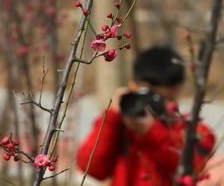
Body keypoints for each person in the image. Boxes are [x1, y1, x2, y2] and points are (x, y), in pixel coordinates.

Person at [76, 46, 215, 186]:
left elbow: (193, 169)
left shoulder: (192, 130)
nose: (151, 104)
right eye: (147, 96)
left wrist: (151, 133)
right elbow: (91, 168)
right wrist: (112, 118)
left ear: (178, 90)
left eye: (160, 98)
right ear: (133, 87)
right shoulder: (122, 126)